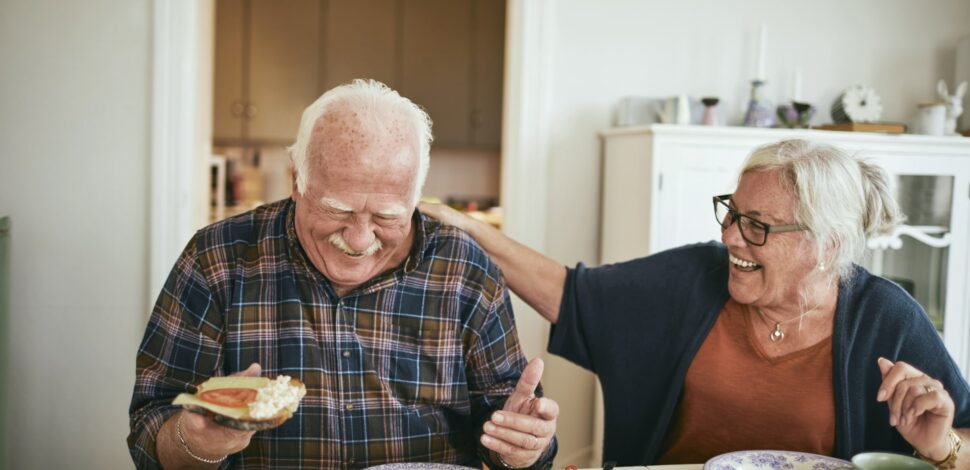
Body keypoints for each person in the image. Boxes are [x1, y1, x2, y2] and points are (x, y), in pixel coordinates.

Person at [421, 139, 970, 467]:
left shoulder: (884, 317)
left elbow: (962, 440)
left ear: (825, 245)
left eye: (757, 226)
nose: (731, 237)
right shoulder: (692, 279)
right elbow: (571, 294)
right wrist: (467, 226)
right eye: (731, 212)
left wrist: (939, 443)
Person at [128, 79, 558, 469]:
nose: (358, 239)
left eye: (387, 217)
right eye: (337, 210)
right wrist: (197, 442)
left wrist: (523, 448)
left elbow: (509, 432)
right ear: (296, 181)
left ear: (415, 198)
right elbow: (150, 432)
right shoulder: (217, 259)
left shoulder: (465, 269)